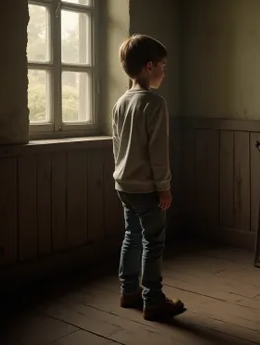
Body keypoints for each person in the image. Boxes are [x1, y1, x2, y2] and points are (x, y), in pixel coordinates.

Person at [112, 34, 186, 321]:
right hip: (146, 188)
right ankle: (153, 300)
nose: (165, 71)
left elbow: (116, 146)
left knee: (132, 236)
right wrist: (164, 188)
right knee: (153, 242)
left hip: (124, 185)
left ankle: (128, 291)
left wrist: (121, 176)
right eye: (163, 65)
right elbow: (158, 151)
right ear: (149, 65)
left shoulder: (121, 102)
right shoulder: (154, 103)